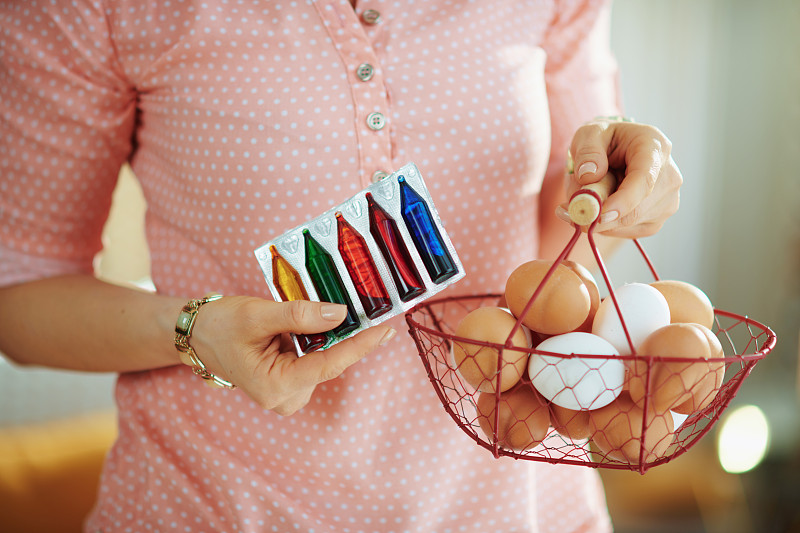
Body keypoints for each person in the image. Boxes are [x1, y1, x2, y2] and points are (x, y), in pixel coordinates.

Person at [0, 0, 681, 531]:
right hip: (211, 507)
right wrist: (193, 330)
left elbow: (562, 258)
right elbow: (19, 292)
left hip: (521, 504)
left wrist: (624, 196)